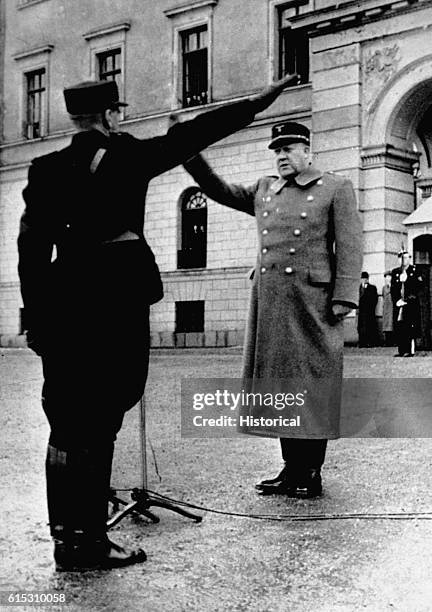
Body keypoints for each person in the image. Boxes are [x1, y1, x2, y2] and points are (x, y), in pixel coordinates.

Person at [17, 75, 297, 571]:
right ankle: (90, 543)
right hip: (114, 304)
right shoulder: (127, 156)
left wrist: (37, 320)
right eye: (116, 113)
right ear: (109, 117)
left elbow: (30, 252)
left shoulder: (45, 169)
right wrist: (255, 102)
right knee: (103, 418)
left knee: (64, 424)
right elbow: (193, 136)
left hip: (61, 308)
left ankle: (68, 538)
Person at [183, 121, 362, 498]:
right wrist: (190, 156)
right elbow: (221, 190)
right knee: (279, 383)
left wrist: (345, 295)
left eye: (289, 148)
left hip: (313, 302)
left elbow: (349, 243)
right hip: (273, 303)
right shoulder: (265, 189)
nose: (281, 156)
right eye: (277, 150)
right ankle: (290, 467)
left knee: (312, 382)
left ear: (308, 151)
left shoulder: (334, 187)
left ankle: (310, 471)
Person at [391, 250, 423, 357]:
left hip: (410, 304)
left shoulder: (414, 270)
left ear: (409, 259)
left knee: (410, 327)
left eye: (405, 258)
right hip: (399, 304)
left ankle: (409, 350)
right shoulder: (395, 272)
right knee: (400, 327)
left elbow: (419, 287)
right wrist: (397, 301)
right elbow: (393, 289)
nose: (403, 260)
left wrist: (408, 279)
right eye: (401, 258)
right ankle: (401, 350)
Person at [357, 271, 378, 347]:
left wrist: (371, 307)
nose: (364, 280)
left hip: (369, 311)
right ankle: (362, 342)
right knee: (361, 327)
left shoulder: (372, 288)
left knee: (370, 327)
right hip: (361, 311)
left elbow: (375, 299)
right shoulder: (358, 288)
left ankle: (370, 342)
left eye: (365, 278)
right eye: (362, 278)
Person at [382, 271, 394, 346]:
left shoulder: (393, 286)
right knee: (386, 325)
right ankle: (387, 341)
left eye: (389, 277)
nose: (387, 279)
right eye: (386, 278)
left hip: (392, 307)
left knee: (392, 325)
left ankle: (393, 341)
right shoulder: (384, 287)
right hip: (386, 308)